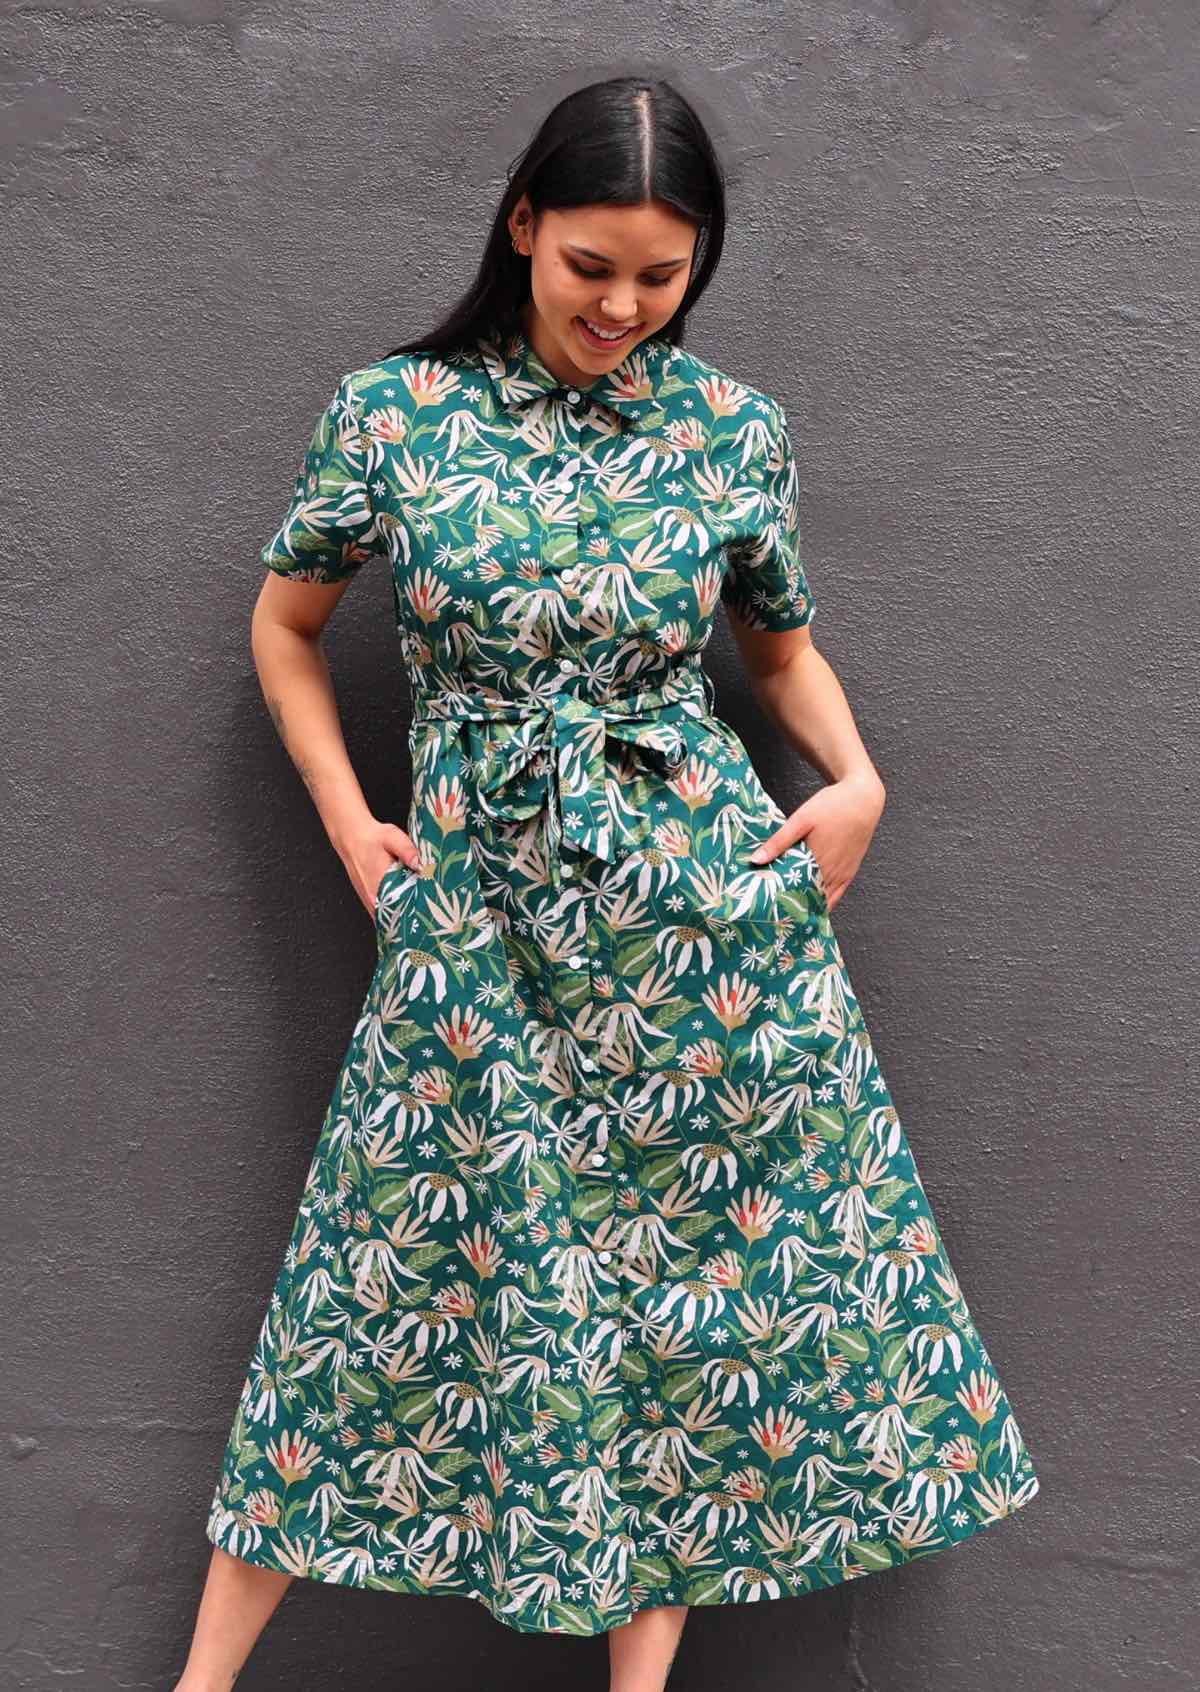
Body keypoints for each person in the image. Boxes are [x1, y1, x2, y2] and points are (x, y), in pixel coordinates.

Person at [175, 73, 1041, 1692]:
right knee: (373, 1281)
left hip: (699, 929)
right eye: (593, 268)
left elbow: (779, 659)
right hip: (477, 922)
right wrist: (354, 821)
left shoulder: (733, 432)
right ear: (523, 228)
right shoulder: (393, 414)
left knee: (692, 1308)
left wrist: (857, 784)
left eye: (663, 276)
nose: (625, 307)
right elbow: (284, 626)